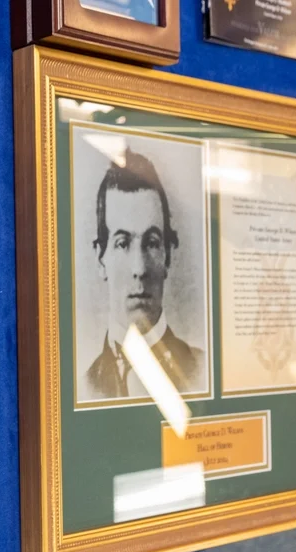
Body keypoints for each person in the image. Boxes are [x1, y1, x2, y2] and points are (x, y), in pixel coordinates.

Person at [84, 148, 205, 400]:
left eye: (151, 243)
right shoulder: (83, 387)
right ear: (100, 258)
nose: (139, 269)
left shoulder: (202, 371)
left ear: (168, 255)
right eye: (122, 243)